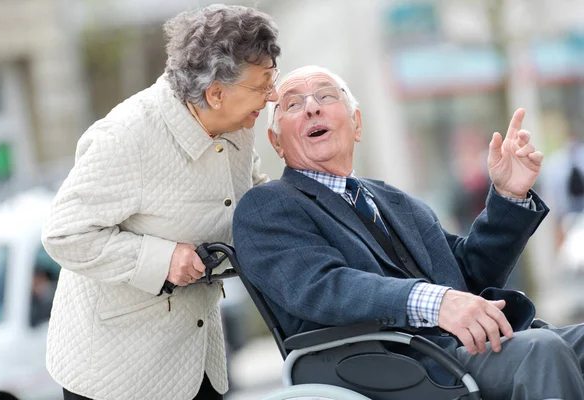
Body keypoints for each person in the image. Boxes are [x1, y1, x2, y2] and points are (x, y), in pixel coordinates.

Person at [232, 66, 584, 399]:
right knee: (542, 349)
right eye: (292, 104)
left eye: (326, 96)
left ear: (356, 124)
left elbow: (469, 274)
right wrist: (437, 303)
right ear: (276, 143)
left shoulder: (391, 199)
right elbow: (325, 287)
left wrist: (509, 196)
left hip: (462, 349)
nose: (311, 108)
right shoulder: (267, 206)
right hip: (394, 366)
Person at [41, 5, 280, 400]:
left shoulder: (238, 125)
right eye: (261, 85)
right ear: (216, 93)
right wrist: (162, 259)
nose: (271, 96)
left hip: (197, 358)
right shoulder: (126, 137)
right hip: (116, 373)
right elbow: (64, 234)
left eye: (273, 80)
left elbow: (249, 197)